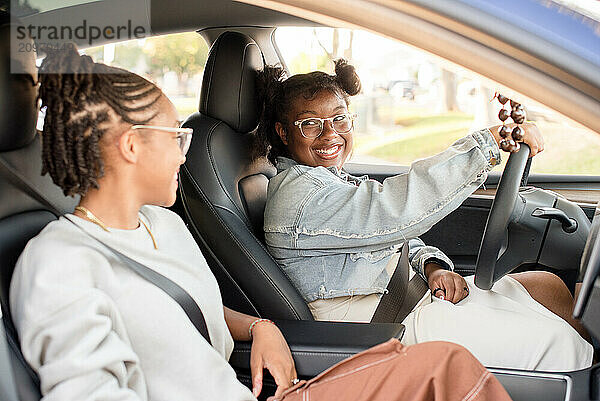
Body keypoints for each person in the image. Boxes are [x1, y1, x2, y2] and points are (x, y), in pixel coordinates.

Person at [8, 46, 513, 401]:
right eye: (175, 139)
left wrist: (259, 326)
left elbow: (197, 306)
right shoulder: (59, 263)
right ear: (133, 145)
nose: (185, 156)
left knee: (443, 367)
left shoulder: (162, 226)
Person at [256, 60, 594, 372]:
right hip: (392, 327)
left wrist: (433, 267)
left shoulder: (327, 181)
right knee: (562, 348)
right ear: (284, 133)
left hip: (417, 296)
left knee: (549, 290)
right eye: (310, 123)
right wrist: (492, 142)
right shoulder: (301, 198)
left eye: (339, 119)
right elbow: (394, 211)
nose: (330, 134)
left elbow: (386, 236)